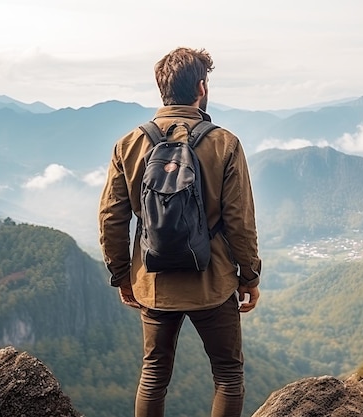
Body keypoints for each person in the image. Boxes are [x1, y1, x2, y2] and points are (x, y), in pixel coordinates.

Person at [98, 46, 262, 417]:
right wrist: (249, 276)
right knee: (228, 375)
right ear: (201, 88)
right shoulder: (224, 143)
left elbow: (111, 217)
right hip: (213, 282)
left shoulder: (129, 144)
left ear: (162, 89)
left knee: (154, 374)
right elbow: (239, 221)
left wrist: (122, 275)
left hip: (154, 283)